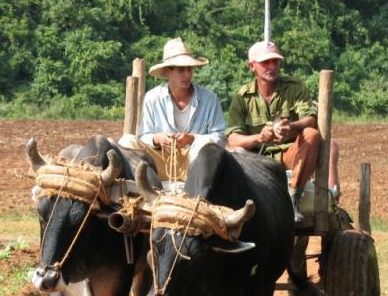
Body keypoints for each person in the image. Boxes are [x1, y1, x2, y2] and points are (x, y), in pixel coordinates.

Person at [226, 40, 340, 221]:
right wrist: (259, 137)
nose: (272, 66)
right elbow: (233, 139)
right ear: (251, 66)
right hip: (256, 161)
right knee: (228, 152)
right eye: (265, 62)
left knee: (312, 134)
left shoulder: (294, 87)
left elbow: (310, 119)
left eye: (276, 61)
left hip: (290, 157)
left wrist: (291, 127)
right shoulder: (242, 97)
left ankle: (293, 198)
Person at [119, 38, 227, 184]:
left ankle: (198, 186)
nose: (187, 75)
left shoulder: (209, 99)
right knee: (127, 141)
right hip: (160, 161)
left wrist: (192, 139)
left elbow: (220, 138)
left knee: (205, 144)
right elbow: (144, 136)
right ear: (167, 71)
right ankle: (139, 185)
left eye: (189, 69)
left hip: (195, 163)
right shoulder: (152, 97)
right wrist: (158, 139)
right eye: (181, 70)